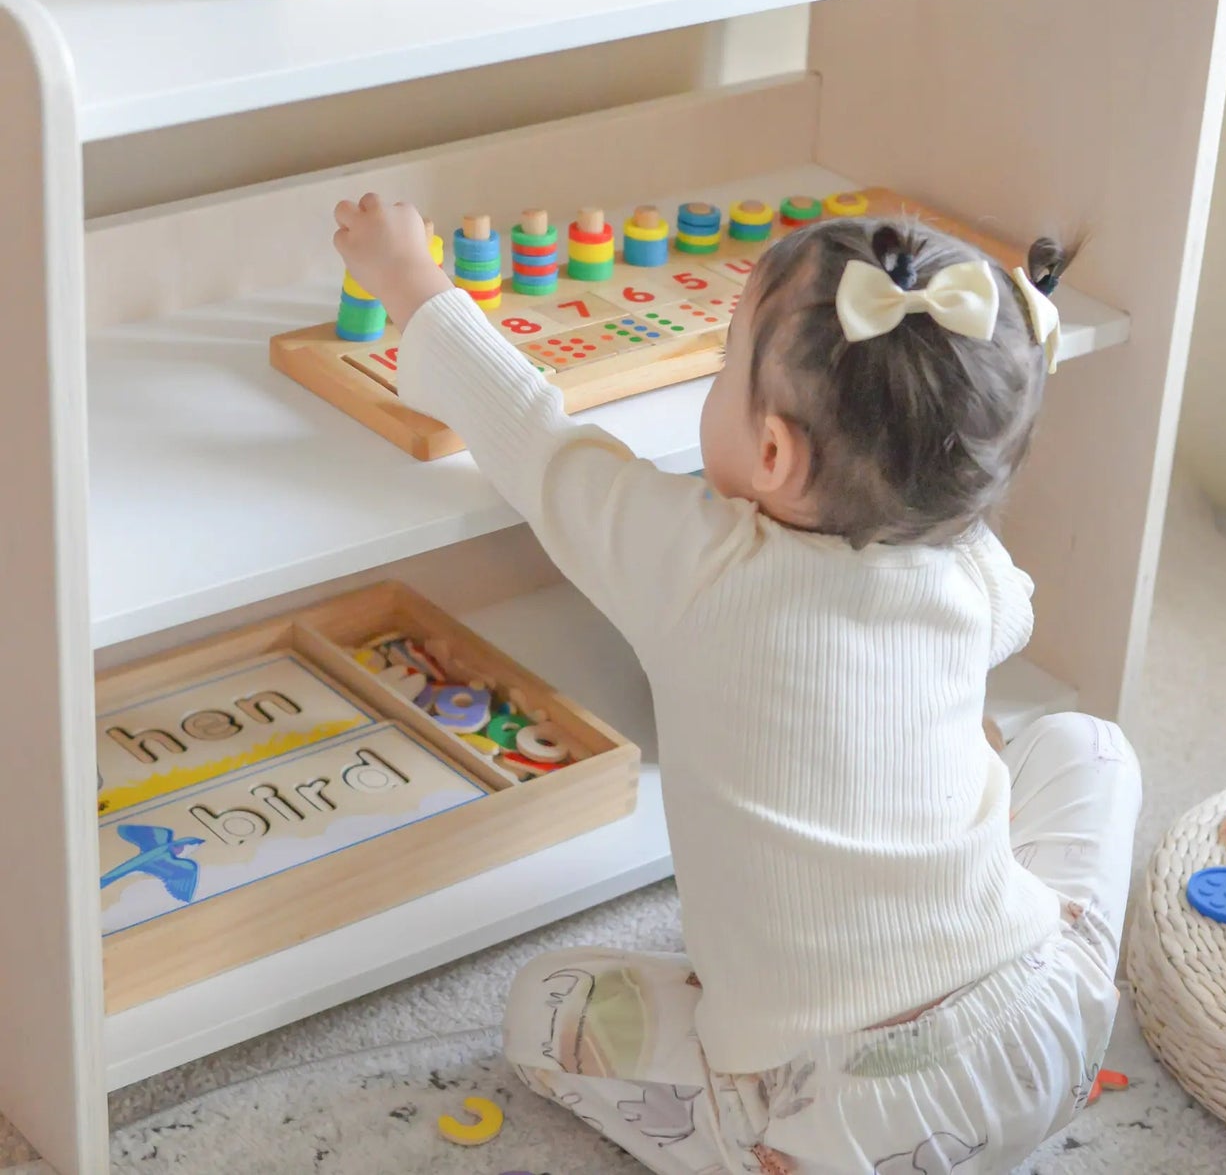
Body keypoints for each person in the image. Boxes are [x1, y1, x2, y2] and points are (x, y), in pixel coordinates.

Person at [333, 193, 1142, 1174]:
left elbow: (533, 441)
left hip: (829, 1124)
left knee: (542, 1002)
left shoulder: (691, 562)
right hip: (1043, 1034)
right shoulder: (965, 564)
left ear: (770, 454)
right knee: (1084, 742)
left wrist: (410, 280)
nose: (714, 379)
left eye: (724, 364)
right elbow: (1008, 606)